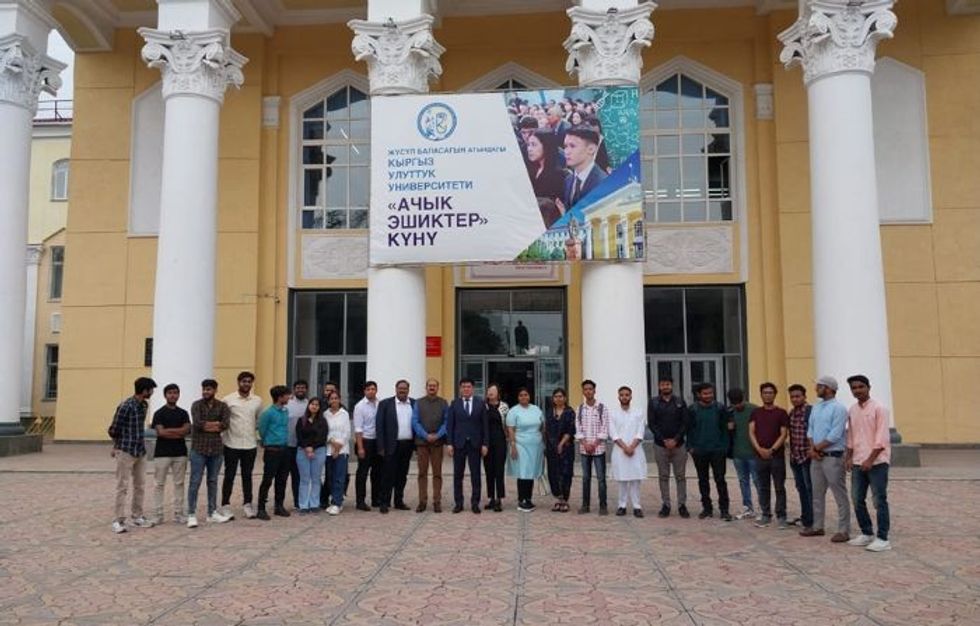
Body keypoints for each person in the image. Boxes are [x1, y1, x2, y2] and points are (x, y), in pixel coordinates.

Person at [801, 376, 851, 543]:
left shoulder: (839, 408)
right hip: (816, 457)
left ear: (829, 388)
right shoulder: (816, 407)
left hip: (832, 457)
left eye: (820, 386)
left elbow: (835, 434)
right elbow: (810, 430)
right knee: (817, 493)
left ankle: (843, 530)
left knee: (839, 494)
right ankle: (818, 526)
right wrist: (812, 448)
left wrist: (816, 448)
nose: (816, 389)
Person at [845, 375, 892, 552]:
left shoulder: (879, 409)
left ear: (868, 387)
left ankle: (883, 538)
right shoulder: (852, 410)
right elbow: (851, 436)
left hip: (877, 462)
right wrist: (849, 457)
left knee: (879, 500)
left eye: (861, 387)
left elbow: (882, 439)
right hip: (858, 462)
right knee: (857, 499)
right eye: (854, 388)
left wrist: (870, 460)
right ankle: (866, 533)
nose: (857, 390)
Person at [107, 377, 158, 533]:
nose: (152, 393)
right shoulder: (126, 406)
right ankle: (118, 520)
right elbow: (114, 429)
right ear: (144, 390)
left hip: (140, 450)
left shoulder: (144, 405)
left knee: (140, 485)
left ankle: (137, 516)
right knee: (122, 486)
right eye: (151, 390)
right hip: (126, 450)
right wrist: (117, 446)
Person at [187, 379, 232, 528]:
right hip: (198, 449)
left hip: (216, 449)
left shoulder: (222, 406)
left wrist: (209, 425)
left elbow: (225, 425)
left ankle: (212, 513)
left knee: (213, 481)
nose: (206, 392)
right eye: (204, 389)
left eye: (209, 389)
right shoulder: (196, 405)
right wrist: (215, 424)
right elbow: (198, 424)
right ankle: (191, 514)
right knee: (195, 482)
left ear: (215, 390)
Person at [687, 382, 733, 521]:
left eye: (710, 393)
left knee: (720, 480)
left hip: (717, 450)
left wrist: (724, 447)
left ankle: (724, 509)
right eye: (705, 393)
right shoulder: (692, 409)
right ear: (698, 395)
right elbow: (689, 429)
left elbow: (726, 429)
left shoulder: (720, 408)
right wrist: (691, 447)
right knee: (703, 480)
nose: (708, 396)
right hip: (699, 450)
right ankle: (707, 508)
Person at [221, 371, 262, 520]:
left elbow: (258, 420)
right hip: (231, 444)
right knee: (229, 475)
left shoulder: (257, 400)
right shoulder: (227, 400)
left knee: (247, 476)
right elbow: (223, 420)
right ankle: (225, 505)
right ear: (238, 382)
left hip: (250, 444)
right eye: (244, 381)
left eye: (249, 381)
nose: (246, 384)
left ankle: (247, 504)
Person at [749, 382, 790, 529]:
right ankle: (766, 514)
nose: (767, 395)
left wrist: (772, 450)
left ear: (775, 394)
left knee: (779, 487)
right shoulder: (755, 413)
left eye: (770, 392)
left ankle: (781, 516)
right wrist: (759, 449)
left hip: (776, 457)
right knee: (763, 487)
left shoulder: (781, 413)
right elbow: (751, 432)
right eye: (765, 393)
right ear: (761, 395)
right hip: (759, 456)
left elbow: (783, 434)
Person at [446, 377, 489, 514]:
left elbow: (485, 426)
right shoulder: (454, 404)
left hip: (475, 444)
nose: (466, 389)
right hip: (459, 444)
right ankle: (458, 503)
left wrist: (485, 444)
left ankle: (475, 503)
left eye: (468, 386)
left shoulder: (480, 404)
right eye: (463, 386)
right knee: (458, 475)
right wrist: (449, 443)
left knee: (476, 475)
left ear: (473, 388)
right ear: (460, 389)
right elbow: (450, 425)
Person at [648, 377, 689, 519]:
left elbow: (685, 423)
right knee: (663, 476)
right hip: (661, 445)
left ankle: (682, 505)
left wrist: (676, 439)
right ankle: (666, 505)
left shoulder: (680, 402)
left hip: (679, 445)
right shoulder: (653, 402)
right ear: (659, 386)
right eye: (663, 384)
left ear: (672, 386)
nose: (665, 386)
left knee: (681, 476)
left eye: (668, 384)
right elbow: (652, 424)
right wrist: (663, 440)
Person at [150, 383, 190, 525]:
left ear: (178, 395)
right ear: (165, 395)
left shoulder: (183, 413)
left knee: (179, 483)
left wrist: (169, 432)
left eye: (175, 393)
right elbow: (160, 432)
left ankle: (178, 513)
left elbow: (186, 431)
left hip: (180, 453)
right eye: (170, 393)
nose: (173, 395)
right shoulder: (159, 413)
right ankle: (158, 514)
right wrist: (178, 432)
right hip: (162, 453)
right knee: (159, 484)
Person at [375, 380, 416, 513]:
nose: (402, 391)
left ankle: (399, 501)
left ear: (408, 390)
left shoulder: (414, 403)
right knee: (388, 475)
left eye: (405, 388)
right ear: (396, 389)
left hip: (407, 445)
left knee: (402, 475)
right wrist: (381, 447)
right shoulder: (385, 404)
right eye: (400, 388)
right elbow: (379, 426)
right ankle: (384, 502)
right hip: (391, 446)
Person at [609, 386, 647, 518]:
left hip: (636, 449)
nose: (624, 397)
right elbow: (613, 433)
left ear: (631, 396)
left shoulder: (638, 412)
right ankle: (622, 505)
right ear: (618, 397)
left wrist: (632, 447)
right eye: (622, 395)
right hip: (620, 450)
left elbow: (640, 431)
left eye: (627, 395)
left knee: (635, 479)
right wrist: (625, 447)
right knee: (622, 479)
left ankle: (637, 506)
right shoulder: (613, 413)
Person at [412, 377, 448, 513]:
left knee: (437, 474)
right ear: (426, 387)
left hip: (437, 443)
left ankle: (437, 501)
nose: (432, 387)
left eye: (434, 385)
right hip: (422, 443)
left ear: (438, 388)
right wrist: (425, 435)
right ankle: (422, 501)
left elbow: (446, 422)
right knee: (422, 473)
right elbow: (415, 421)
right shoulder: (418, 403)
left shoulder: (443, 403)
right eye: (429, 385)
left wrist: (437, 435)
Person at [256, 385, 292, 520]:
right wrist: (267, 441)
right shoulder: (268, 413)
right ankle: (261, 508)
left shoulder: (285, 411)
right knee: (267, 479)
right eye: (287, 395)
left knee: (282, 479)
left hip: (284, 449)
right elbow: (262, 430)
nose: (289, 397)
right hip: (272, 450)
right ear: (280, 397)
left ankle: (279, 505)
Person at [506, 387, 545, 512]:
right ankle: (521, 499)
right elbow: (510, 429)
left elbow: (542, 426)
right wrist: (513, 445)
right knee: (523, 471)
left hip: (536, 446)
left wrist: (542, 441)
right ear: (518, 397)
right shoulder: (513, 411)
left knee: (531, 472)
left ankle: (528, 498)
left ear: (529, 396)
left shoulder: (536, 409)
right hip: (520, 444)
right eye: (521, 395)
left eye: (526, 394)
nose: (524, 397)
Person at [574, 379, 609, 515]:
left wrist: (594, 444)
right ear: (583, 392)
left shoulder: (602, 408)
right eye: (585, 389)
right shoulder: (580, 409)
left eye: (590, 389)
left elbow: (605, 428)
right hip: (584, 449)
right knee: (585, 478)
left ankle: (603, 506)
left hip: (598, 449)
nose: (588, 391)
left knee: (601, 478)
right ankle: (585, 505)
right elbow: (578, 428)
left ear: (594, 391)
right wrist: (585, 443)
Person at [727, 388, 760, 521]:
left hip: (753, 453)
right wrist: (729, 429)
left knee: (757, 480)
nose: (738, 406)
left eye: (739, 402)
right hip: (738, 453)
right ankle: (748, 508)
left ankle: (763, 508)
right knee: (743, 481)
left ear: (744, 398)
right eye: (734, 403)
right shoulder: (730, 412)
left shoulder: (755, 410)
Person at [561, 125, 608, 210]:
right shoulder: (568, 180)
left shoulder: (603, 183)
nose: (566, 152)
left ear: (591, 149)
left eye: (572, 146)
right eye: (565, 146)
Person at [544, 387, 575, 513]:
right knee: (553, 473)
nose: (558, 399)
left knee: (566, 473)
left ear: (565, 398)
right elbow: (546, 429)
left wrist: (561, 444)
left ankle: (565, 500)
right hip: (551, 448)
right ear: (553, 399)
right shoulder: (549, 412)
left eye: (560, 396)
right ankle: (558, 498)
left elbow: (570, 430)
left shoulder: (570, 412)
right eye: (556, 396)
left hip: (566, 448)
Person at [526, 130, 565, 227]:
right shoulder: (530, 170)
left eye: (534, 145)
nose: (529, 149)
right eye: (528, 145)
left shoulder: (558, 174)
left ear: (546, 146)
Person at [353, 380, 382, 511]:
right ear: (364, 391)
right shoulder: (360, 406)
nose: (371, 391)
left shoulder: (380, 404)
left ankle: (376, 499)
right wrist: (360, 447)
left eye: (373, 389)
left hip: (377, 441)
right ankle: (360, 501)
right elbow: (358, 429)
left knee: (377, 472)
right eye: (368, 389)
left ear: (376, 390)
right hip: (365, 441)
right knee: (363, 472)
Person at [787, 383, 813, 530]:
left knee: (810, 489)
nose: (795, 399)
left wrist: (812, 450)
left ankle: (812, 520)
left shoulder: (811, 412)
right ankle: (805, 517)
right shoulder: (792, 413)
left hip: (807, 457)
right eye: (792, 397)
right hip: (795, 457)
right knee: (801, 488)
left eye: (798, 396)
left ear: (804, 396)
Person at [295, 397, 327, 513]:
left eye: (317, 405)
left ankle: (314, 504)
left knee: (316, 479)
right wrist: (306, 447)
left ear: (319, 407)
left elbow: (322, 436)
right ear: (308, 405)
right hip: (303, 452)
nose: (314, 406)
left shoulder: (322, 421)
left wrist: (312, 447)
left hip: (318, 451)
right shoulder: (302, 420)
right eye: (312, 404)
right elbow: (299, 436)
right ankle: (303, 505)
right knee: (304, 479)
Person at [324, 390, 351, 515]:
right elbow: (324, 431)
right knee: (330, 477)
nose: (334, 400)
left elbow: (347, 433)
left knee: (339, 477)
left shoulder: (344, 414)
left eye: (336, 398)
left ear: (339, 400)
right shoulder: (325, 414)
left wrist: (338, 448)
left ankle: (337, 503)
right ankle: (333, 500)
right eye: (332, 398)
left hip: (342, 450)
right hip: (329, 450)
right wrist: (332, 443)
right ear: (328, 400)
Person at [483, 383, 509, 512]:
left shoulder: (504, 407)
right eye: (489, 390)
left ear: (498, 393)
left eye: (493, 390)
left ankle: (499, 498)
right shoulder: (483, 406)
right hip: (487, 442)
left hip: (500, 441)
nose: (490, 392)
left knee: (499, 470)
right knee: (489, 470)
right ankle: (491, 498)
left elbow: (508, 424)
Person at [285, 379, 310, 510]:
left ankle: (298, 501)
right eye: (298, 388)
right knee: (283, 475)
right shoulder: (287, 404)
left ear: (306, 389)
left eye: (303, 388)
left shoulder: (309, 404)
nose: (300, 390)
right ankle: (279, 503)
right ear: (294, 390)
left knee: (299, 475)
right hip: (287, 445)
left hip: (302, 446)